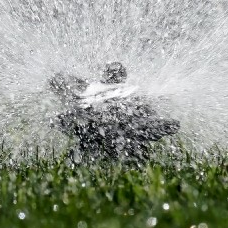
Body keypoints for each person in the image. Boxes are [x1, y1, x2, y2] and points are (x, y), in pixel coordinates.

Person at [49, 61, 180, 162]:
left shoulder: (93, 88)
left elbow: (68, 91)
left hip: (100, 123)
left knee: (93, 137)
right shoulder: (127, 90)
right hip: (118, 124)